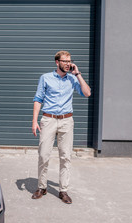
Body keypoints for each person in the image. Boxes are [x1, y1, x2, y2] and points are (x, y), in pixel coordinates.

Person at [31, 50, 91, 204]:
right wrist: (34, 121)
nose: (68, 63)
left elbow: (87, 93)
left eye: (69, 61)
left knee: (65, 156)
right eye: (64, 61)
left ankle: (63, 190)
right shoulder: (45, 78)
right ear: (57, 62)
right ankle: (42, 187)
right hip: (48, 119)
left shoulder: (72, 79)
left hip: (66, 121)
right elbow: (38, 99)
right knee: (43, 155)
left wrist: (78, 74)